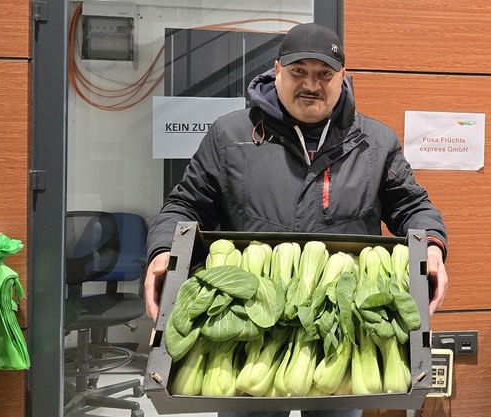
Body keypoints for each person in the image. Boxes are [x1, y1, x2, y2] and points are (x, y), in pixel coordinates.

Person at [145, 22, 449, 417]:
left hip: (341, 325)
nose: (311, 84)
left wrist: (432, 246)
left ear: (342, 76)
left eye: (324, 74)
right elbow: (185, 205)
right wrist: (163, 251)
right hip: (249, 326)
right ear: (276, 71)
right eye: (298, 71)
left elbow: (413, 207)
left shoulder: (375, 142)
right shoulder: (230, 135)